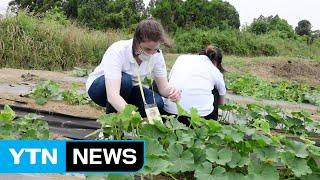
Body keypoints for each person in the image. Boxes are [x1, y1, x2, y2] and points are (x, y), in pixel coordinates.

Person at [86, 18, 181, 117]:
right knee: (125, 80)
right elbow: (112, 95)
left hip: (130, 90)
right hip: (101, 89)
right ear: (136, 42)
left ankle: (135, 127)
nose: (151, 53)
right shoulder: (118, 50)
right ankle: (111, 127)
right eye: (147, 49)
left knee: (157, 103)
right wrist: (133, 117)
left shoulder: (157, 55)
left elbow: (163, 88)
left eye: (155, 49)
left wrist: (172, 93)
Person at [162, 45, 226, 124]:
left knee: (160, 84)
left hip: (170, 115)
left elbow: (168, 81)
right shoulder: (214, 69)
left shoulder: (181, 58)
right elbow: (221, 103)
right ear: (217, 63)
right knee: (216, 91)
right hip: (201, 119)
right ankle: (212, 123)